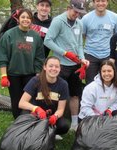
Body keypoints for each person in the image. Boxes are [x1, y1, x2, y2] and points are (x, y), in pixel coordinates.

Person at [44, 0, 90, 131]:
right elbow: (48, 40)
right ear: (68, 8)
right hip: (61, 65)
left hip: (75, 65)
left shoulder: (79, 23)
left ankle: (75, 123)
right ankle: (54, 122)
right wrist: (64, 53)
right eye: (75, 11)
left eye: (80, 13)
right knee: (56, 94)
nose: (77, 15)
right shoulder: (58, 21)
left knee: (75, 94)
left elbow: (80, 44)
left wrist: (82, 58)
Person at [0, 8, 45, 119]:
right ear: (18, 19)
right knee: (16, 99)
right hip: (13, 75)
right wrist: (4, 76)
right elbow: (2, 56)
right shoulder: (9, 35)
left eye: (28, 18)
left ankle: (28, 121)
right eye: (23, 17)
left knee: (30, 99)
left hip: (30, 74)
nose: (25, 19)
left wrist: (38, 74)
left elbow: (39, 57)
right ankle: (18, 123)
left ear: (31, 20)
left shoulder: (36, 36)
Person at [19, 56, 70, 136]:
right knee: (23, 119)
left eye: (57, 66)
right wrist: (36, 109)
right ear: (45, 67)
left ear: (60, 69)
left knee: (64, 126)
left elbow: (61, 109)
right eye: (51, 66)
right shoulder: (35, 80)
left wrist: (55, 117)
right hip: (35, 114)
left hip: (51, 115)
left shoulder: (63, 84)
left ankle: (51, 134)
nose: (54, 69)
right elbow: (22, 103)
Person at [81, 0, 117, 84]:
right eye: (97, 1)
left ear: (107, 2)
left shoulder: (115, 17)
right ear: (94, 2)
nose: (100, 3)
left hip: (108, 55)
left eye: (103, 1)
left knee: (108, 81)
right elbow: (82, 36)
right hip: (90, 54)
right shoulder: (86, 18)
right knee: (91, 83)